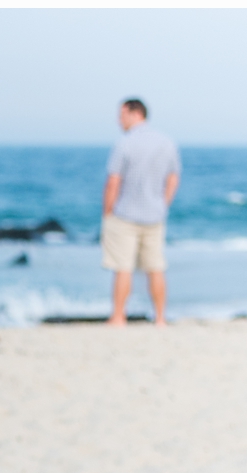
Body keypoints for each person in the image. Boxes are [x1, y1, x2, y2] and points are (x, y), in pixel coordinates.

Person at [102, 97, 181, 326]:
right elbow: (173, 177)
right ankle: (160, 317)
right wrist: (163, 203)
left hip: (125, 213)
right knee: (155, 267)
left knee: (122, 267)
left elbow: (113, 182)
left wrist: (107, 211)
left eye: (122, 115)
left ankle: (118, 316)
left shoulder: (124, 143)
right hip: (155, 214)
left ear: (135, 113)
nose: (119, 120)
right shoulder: (166, 142)